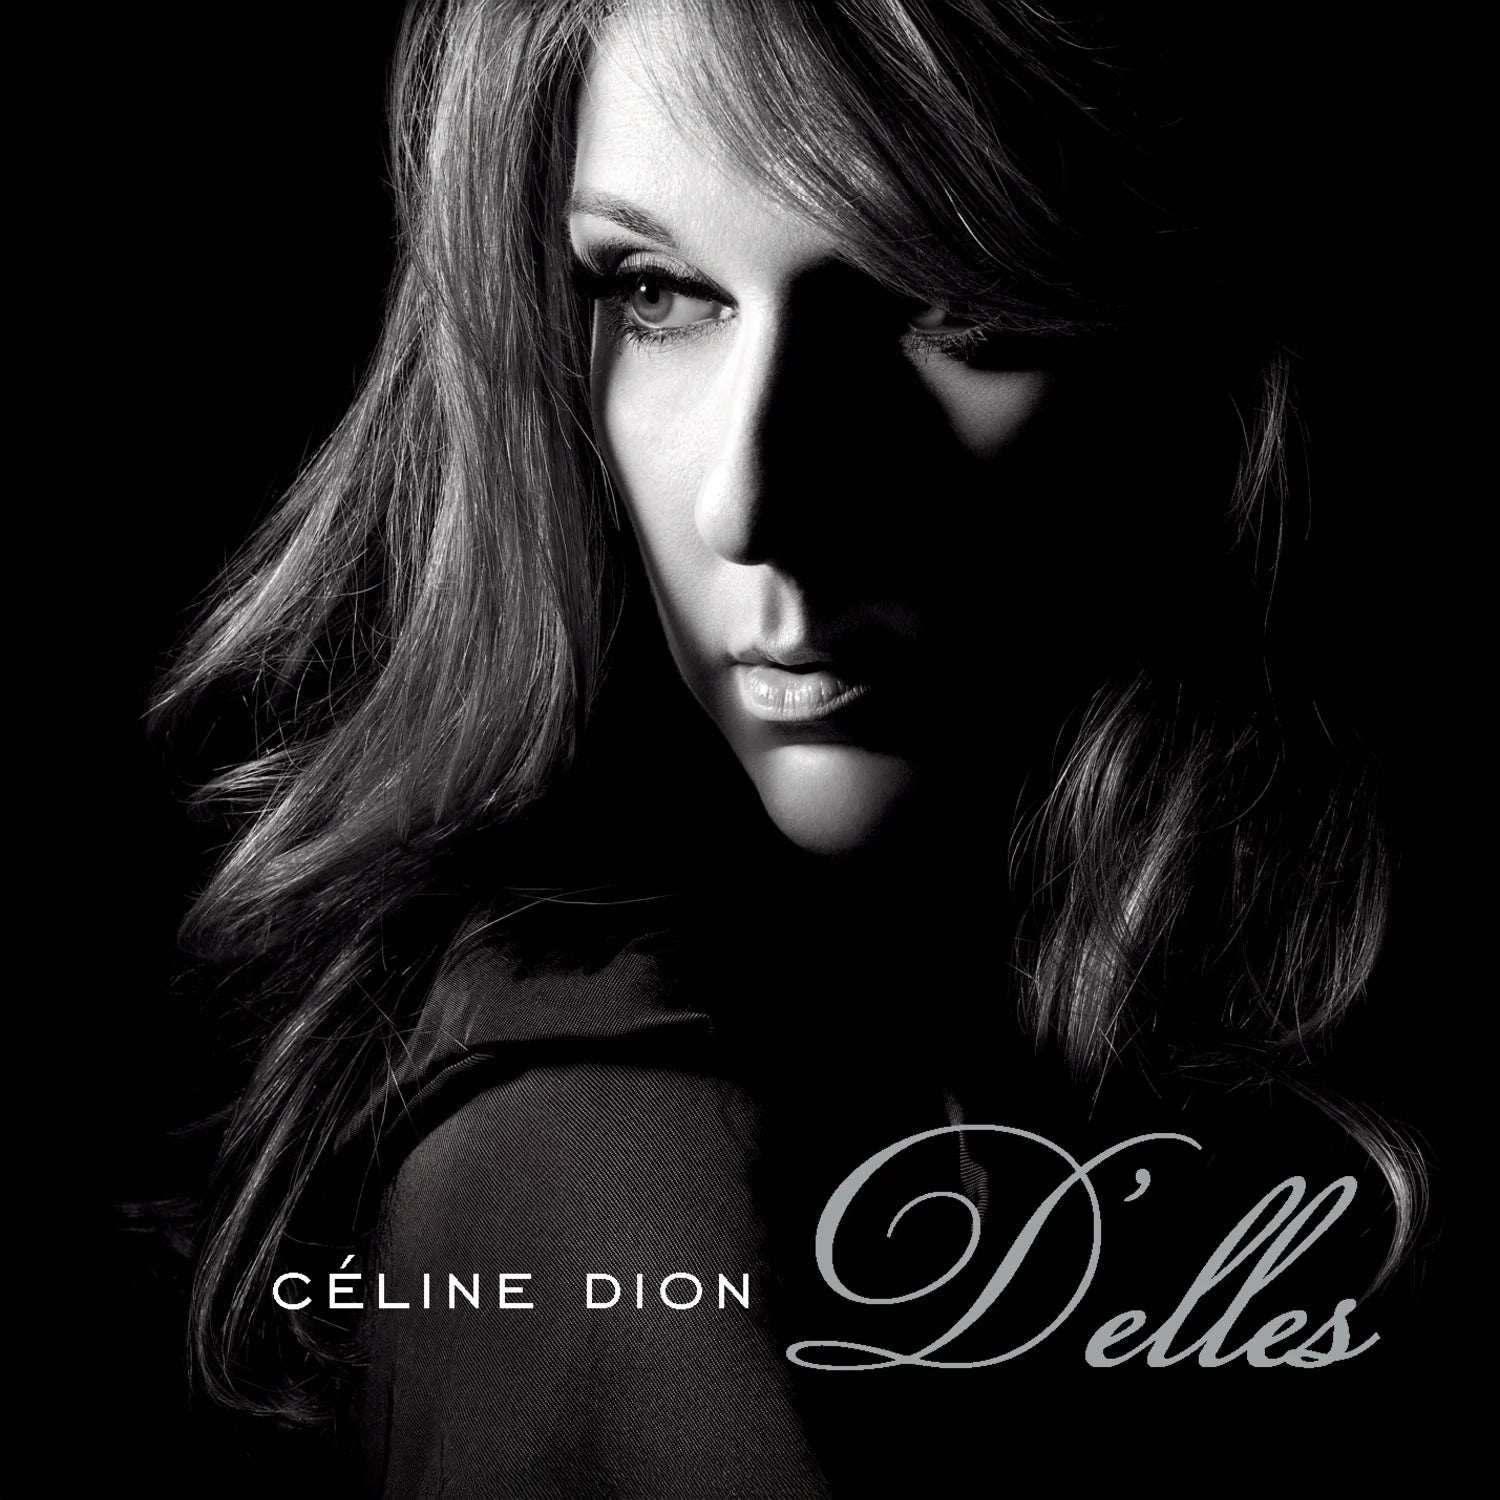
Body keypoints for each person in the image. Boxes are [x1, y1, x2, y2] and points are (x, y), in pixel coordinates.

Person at [150, 1, 1430, 1494]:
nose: (749, 500)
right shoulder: (631, 1167)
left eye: (943, 296)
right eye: (656, 291)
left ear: (1195, 349)